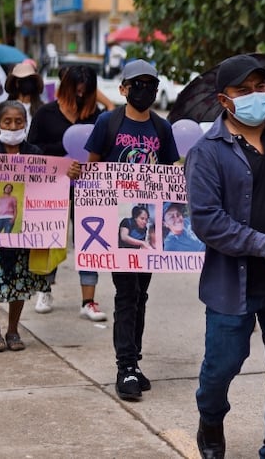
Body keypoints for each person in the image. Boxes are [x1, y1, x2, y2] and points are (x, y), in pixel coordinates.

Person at [186, 54, 265, 459]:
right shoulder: (207, 152)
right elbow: (207, 220)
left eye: (261, 87)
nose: (257, 95)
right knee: (222, 367)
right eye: (245, 90)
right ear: (224, 99)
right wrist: (263, 244)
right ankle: (210, 418)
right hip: (231, 283)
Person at [85, 59, 178, 402]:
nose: (144, 90)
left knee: (141, 294)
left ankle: (134, 363)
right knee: (126, 295)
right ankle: (125, 367)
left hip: (149, 225)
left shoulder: (162, 128)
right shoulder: (108, 123)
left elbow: (169, 177)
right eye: (136, 84)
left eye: (150, 85)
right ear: (123, 89)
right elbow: (91, 169)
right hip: (117, 224)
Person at [0, 100, 81, 352]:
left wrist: (67, 173)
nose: (13, 126)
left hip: (23, 231)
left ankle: (13, 329)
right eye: (7, 122)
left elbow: (48, 183)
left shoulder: (34, 152)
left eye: (19, 122)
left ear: (26, 123)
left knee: (18, 282)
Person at [28, 64, 107, 317]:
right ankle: (45, 289)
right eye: (76, 92)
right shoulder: (45, 114)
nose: (80, 97)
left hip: (89, 187)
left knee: (89, 239)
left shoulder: (100, 117)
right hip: (53, 187)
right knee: (50, 237)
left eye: (86, 92)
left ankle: (88, 301)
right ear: (65, 89)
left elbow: (108, 151)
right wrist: (62, 157)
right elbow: (32, 150)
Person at [4, 60, 45, 126]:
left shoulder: (42, 109)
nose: (27, 82)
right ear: (16, 83)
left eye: (30, 79)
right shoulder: (4, 108)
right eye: (23, 80)